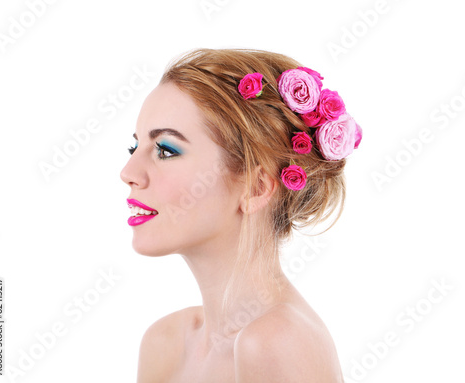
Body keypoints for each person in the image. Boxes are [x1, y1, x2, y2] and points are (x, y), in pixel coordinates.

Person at [120, 47, 362, 382]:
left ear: (256, 187)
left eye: (165, 150)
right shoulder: (165, 342)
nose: (129, 172)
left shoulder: (277, 343)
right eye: (134, 148)